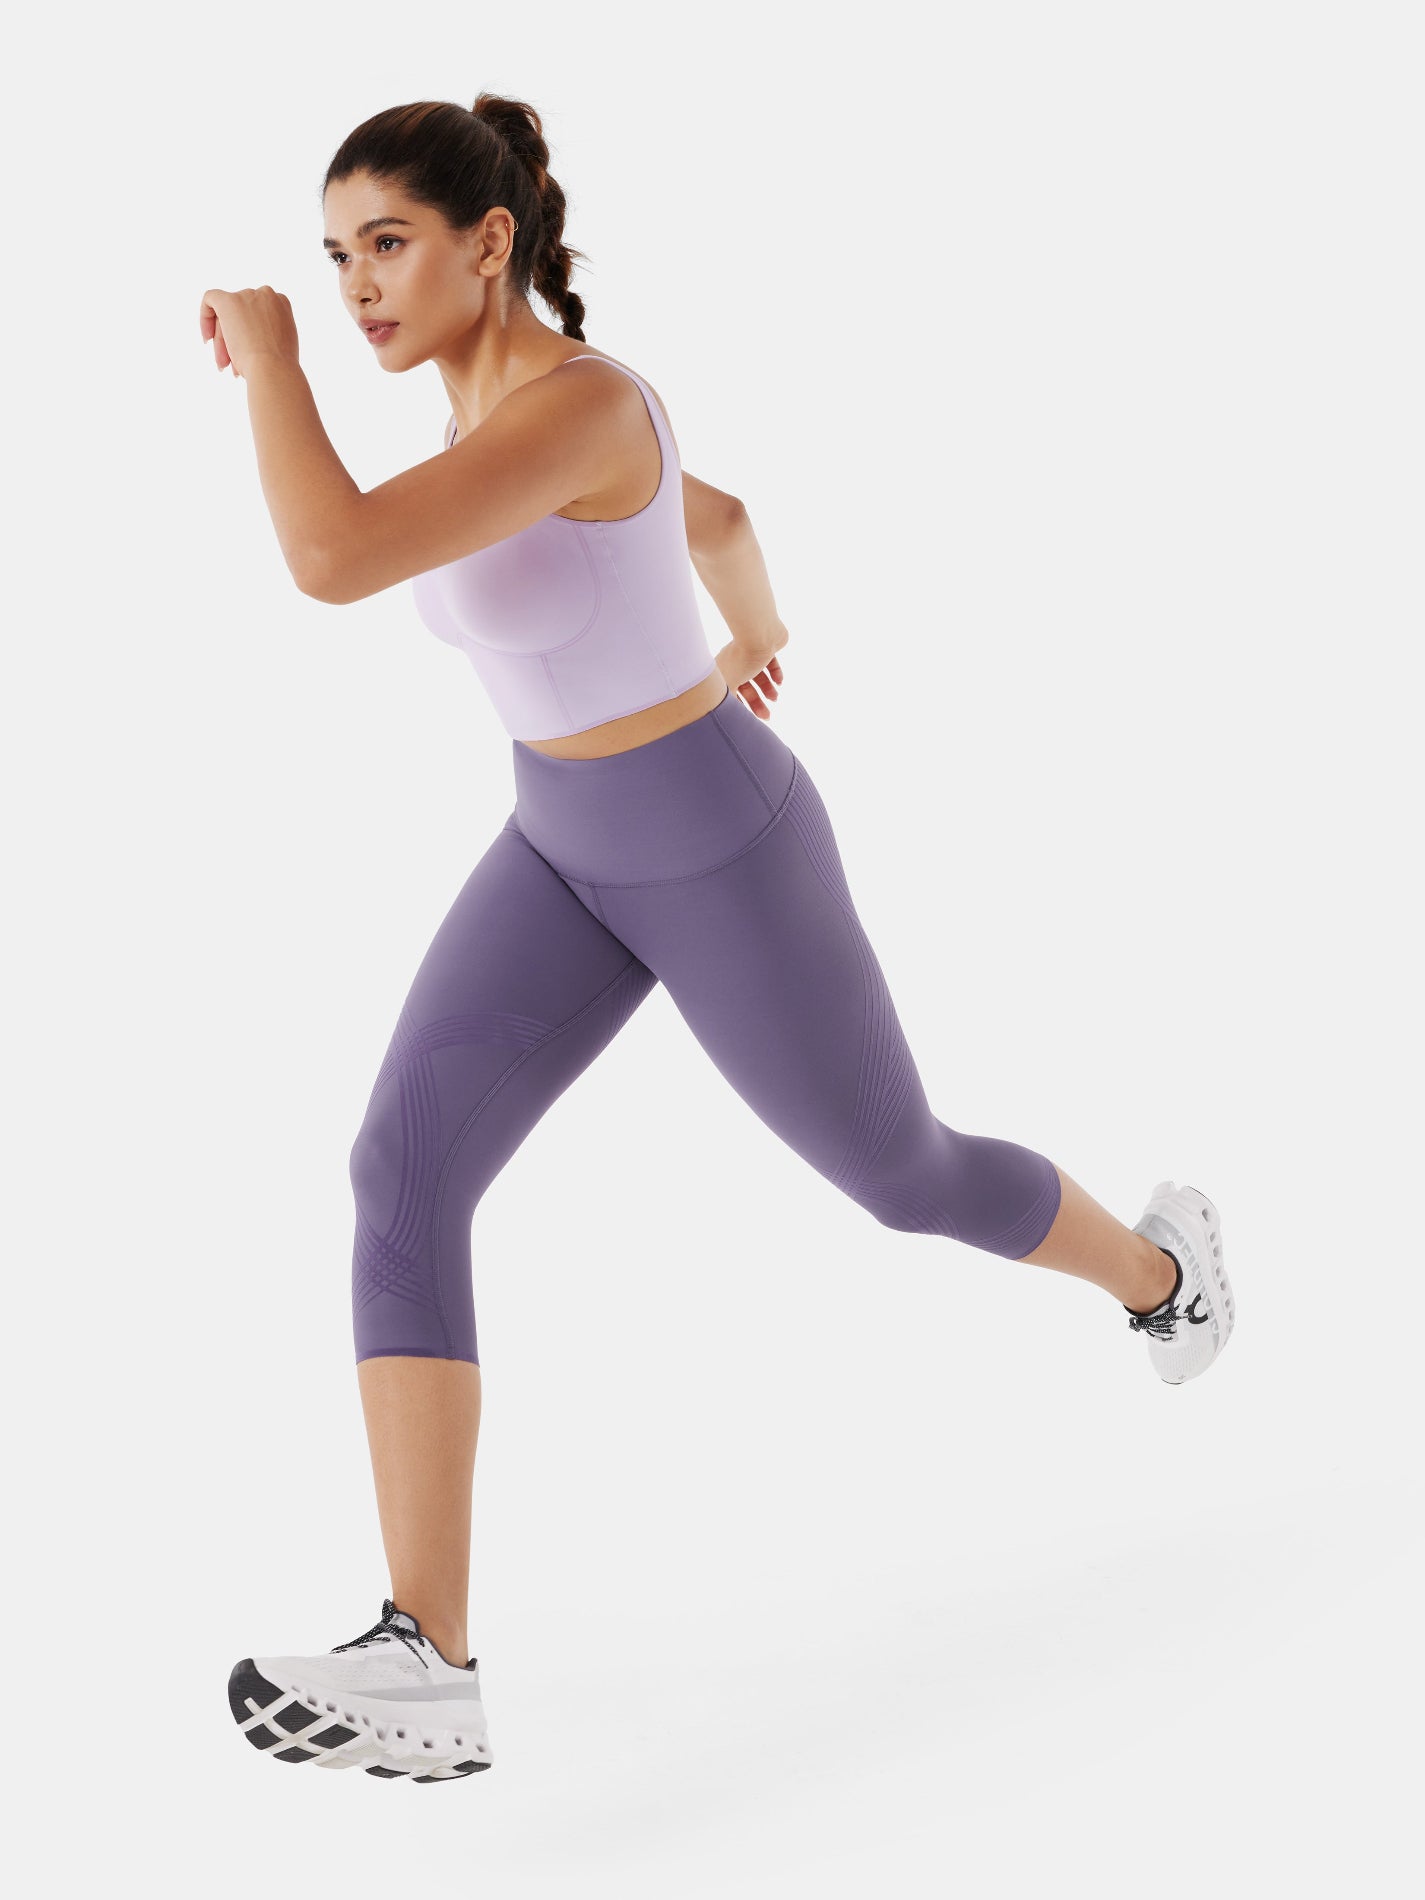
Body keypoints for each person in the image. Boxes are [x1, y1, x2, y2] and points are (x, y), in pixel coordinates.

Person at [206, 91, 1235, 1785]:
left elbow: (330, 558)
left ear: (487, 242)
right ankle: (425, 1656)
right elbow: (722, 518)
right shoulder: (488, 420)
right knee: (401, 1171)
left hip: (713, 847)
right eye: (330, 261)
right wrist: (753, 626)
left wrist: (268, 363)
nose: (354, 287)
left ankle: (1161, 1270)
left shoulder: (582, 405)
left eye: (385, 244)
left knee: (902, 1175)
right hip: (556, 843)